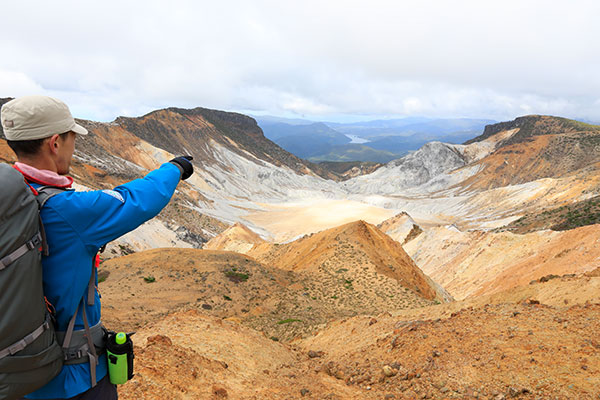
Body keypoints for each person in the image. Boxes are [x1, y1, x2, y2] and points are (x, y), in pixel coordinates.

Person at [1, 95, 194, 399]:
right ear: (54, 143)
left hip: (17, 375)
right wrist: (174, 169)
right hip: (73, 378)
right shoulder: (67, 210)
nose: (73, 147)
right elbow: (137, 199)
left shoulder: (9, 200)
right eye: (71, 139)